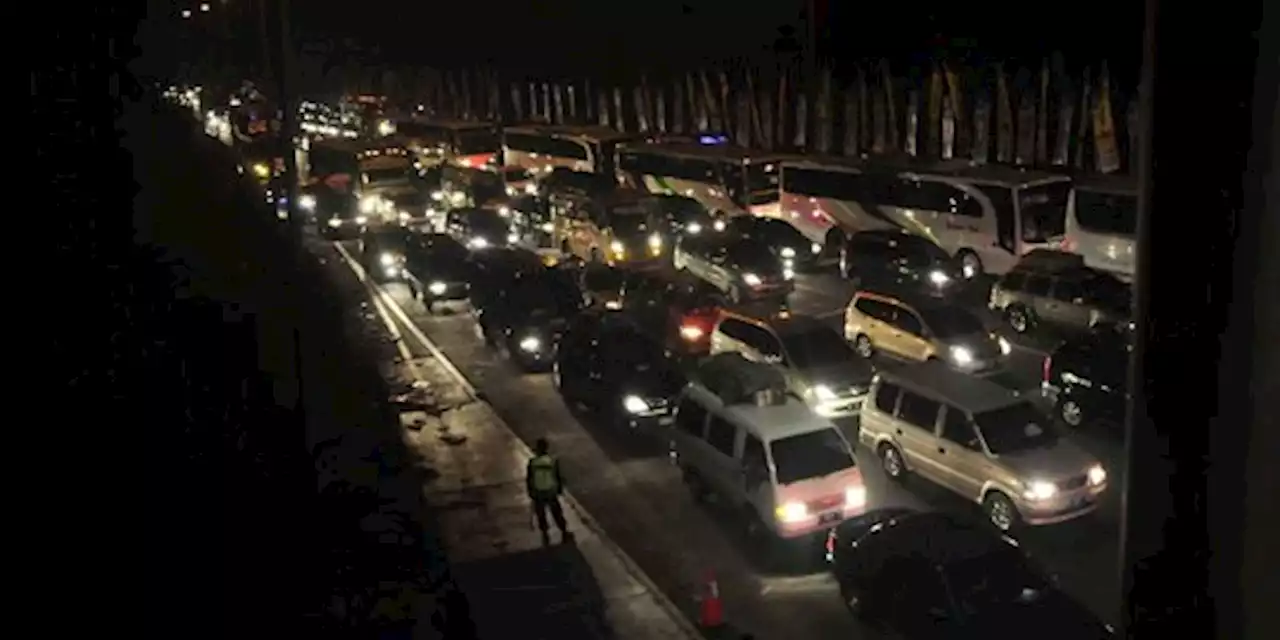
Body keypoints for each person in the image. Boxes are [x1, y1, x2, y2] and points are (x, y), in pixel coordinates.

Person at [526, 437, 570, 543]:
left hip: (538, 493)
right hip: (551, 491)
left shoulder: (532, 462)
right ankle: (563, 530)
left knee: (541, 514)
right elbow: (557, 477)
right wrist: (559, 489)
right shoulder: (552, 461)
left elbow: (529, 478)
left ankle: (545, 532)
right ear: (546, 448)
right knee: (557, 512)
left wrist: (530, 491)